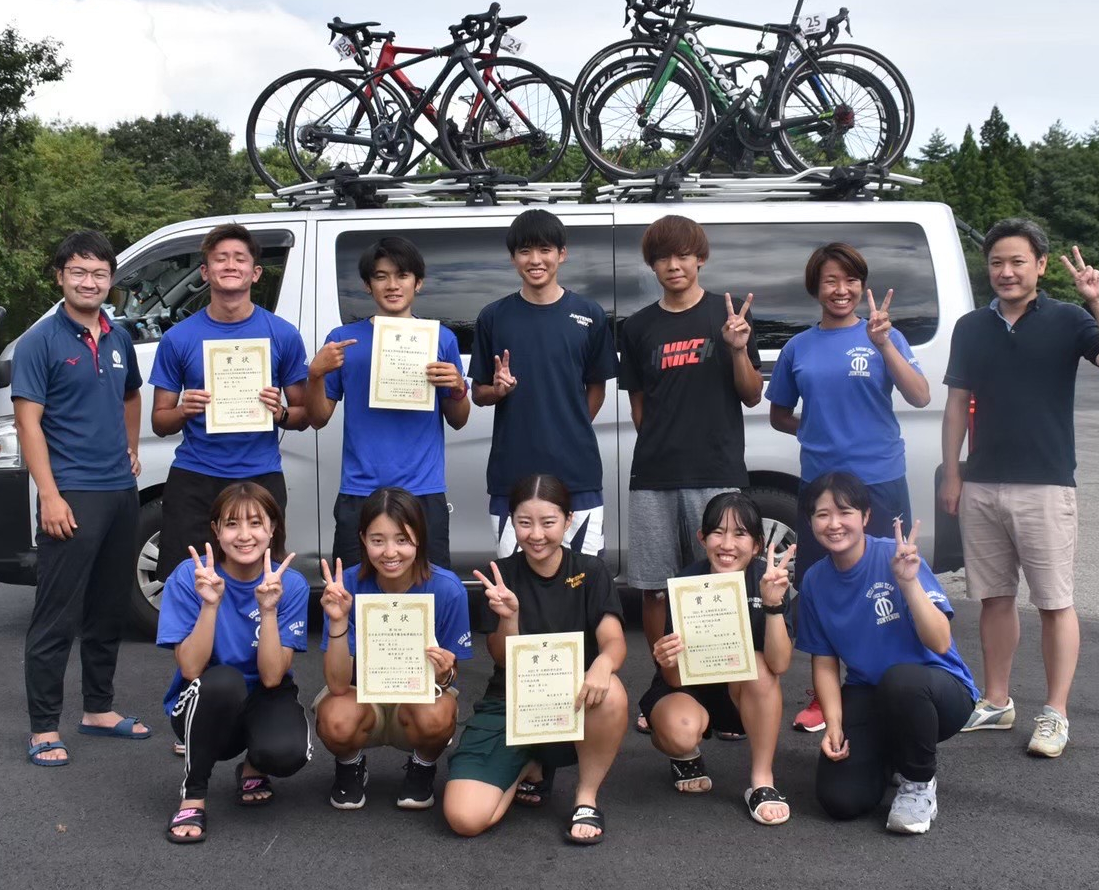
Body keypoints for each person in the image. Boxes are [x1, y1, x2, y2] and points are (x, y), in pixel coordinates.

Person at [941, 218, 1099, 757]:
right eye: (997, 262)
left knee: (1054, 602)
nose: (1006, 271)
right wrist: (952, 473)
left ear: (1041, 265)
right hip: (981, 484)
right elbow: (957, 403)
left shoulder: (1069, 319)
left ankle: (1056, 713)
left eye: (1017, 261)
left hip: (1046, 486)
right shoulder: (971, 327)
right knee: (994, 599)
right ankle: (997, 700)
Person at [766, 242, 931, 734]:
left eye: (851, 280)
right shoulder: (799, 347)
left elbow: (920, 396)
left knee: (890, 580)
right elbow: (778, 415)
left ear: (862, 285)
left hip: (879, 479)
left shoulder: (885, 335)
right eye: (830, 281)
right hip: (820, 484)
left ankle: (895, 682)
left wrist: (883, 345)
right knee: (823, 588)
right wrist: (817, 430)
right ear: (815, 288)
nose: (842, 290)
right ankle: (823, 696)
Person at [618, 216, 762, 736]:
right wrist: (664, 443)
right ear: (652, 264)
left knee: (721, 586)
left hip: (717, 472)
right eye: (662, 258)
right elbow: (640, 409)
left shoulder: (729, 316)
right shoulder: (635, 328)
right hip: (654, 475)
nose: (673, 266)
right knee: (656, 590)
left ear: (700, 257)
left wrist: (738, 347)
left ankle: (724, 695)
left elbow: (752, 395)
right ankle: (668, 686)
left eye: (683, 255)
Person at [13, 230, 150, 766]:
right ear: (60, 277)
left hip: (120, 491)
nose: (89, 281)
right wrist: (48, 494)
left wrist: (133, 447)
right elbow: (28, 423)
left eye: (98, 273)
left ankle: (98, 709)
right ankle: (44, 727)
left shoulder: (117, 338)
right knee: (56, 613)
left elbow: (131, 395)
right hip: (71, 494)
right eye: (78, 272)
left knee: (108, 609)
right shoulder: (40, 341)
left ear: (110, 280)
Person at [442, 474, 628, 845]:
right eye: (525, 523)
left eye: (548, 522)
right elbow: (500, 657)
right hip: (510, 702)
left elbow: (614, 641)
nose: (536, 534)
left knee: (613, 692)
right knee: (465, 819)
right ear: (512, 522)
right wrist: (508, 616)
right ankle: (528, 762)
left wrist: (603, 664)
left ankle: (585, 798)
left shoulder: (590, 571)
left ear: (568, 520)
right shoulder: (502, 576)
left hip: (573, 699)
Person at [797, 472, 978, 835]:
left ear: (864, 517)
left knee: (902, 680)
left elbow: (940, 641)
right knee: (841, 801)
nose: (834, 524)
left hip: (937, 691)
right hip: (872, 694)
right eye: (822, 514)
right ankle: (890, 754)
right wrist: (834, 725)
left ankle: (918, 782)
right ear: (811, 521)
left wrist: (908, 583)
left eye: (844, 512)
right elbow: (825, 663)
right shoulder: (815, 581)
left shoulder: (895, 558)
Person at [150, 222, 310, 582]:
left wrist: (281, 411)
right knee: (190, 581)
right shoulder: (178, 338)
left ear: (255, 273)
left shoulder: (282, 334)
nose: (230, 265)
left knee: (260, 582)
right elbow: (160, 422)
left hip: (260, 476)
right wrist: (183, 410)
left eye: (239, 258)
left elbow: (305, 415)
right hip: (196, 475)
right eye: (221, 259)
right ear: (206, 272)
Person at [156, 483, 311, 843]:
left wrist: (268, 609)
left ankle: (254, 764)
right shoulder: (188, 577)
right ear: (216, 529)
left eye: (256, 523)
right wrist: (210, 604)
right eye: (231, 524)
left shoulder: (291, 583)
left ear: (273, 528)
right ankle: (193, 796)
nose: (244, 535)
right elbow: (191, 669)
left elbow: (273, 677)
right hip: (207, 701)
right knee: (224, 680)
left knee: (287, 753)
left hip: (264, 694)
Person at [304, 237, 470, 567]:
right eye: (381, 276)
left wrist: (457, 389)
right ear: (368, 285)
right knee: (353, 590)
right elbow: (319, 417)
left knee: (428, 590)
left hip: (423, 490)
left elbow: (458, 419)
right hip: (360, 490)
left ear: (417, 283)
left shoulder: (441, 339)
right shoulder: (342, 340)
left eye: (403, 275)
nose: (392, 285)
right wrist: (315, 375)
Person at [469, 209, 618, 558]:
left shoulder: (589, 314)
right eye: (524, 251)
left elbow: (597, 386)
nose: (535, 260)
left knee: (581, 581)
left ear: (561, 254)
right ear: (512, 258)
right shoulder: (493, 316)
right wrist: (497, 390)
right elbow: (478, 393)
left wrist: (571, 426)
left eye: (545, 250)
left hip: (577, 474)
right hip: (512, 475)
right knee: (517, 586)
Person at [314, 487, 473, 811]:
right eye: (377, 540)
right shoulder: (349, 587)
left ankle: (422, 767)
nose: (390, 552)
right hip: (362, 694)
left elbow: (451, 678)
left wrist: (445, 673)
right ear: (362, 539)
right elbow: (338, 685)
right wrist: (337, 621)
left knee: (439, 714)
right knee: (335, 717)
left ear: (420, 538)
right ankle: (350, 765)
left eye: (402, 539)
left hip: (416, 697)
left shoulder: (447, 589)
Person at [641, 492, 793, 825]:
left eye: (739, 534)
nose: (727, 544)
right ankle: (686, 754)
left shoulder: (768, 581)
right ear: (702, 538)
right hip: (689, 690)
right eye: (717, 532)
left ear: (756, 545)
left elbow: (780, 664)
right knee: (678, 732)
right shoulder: (684, 584)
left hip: (743, 694)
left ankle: (762, 780)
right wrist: (666, 659)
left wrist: (772, 606)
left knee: (761, 666)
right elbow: (675, 680)